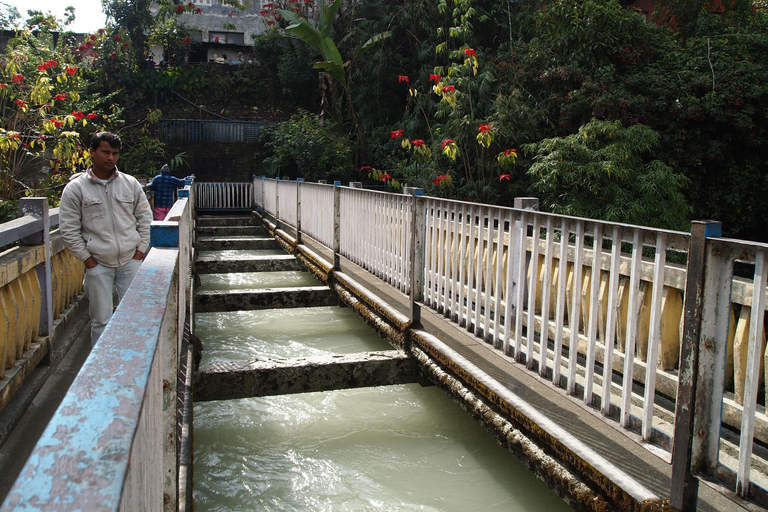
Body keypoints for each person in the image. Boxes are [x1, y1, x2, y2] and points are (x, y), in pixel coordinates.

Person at [59, 132, 153, 345]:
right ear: (92, 152)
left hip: (131, 260)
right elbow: (69, 229)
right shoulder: (76, 189)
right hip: (98, 263)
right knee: (101, 320)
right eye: (105, 152)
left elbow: (145, 219)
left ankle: (132, 362)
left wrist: (140, 252)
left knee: (135, 316)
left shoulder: (130, 184)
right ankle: (102, 373)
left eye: (115, 153)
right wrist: (88, 261)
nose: (110, 158)